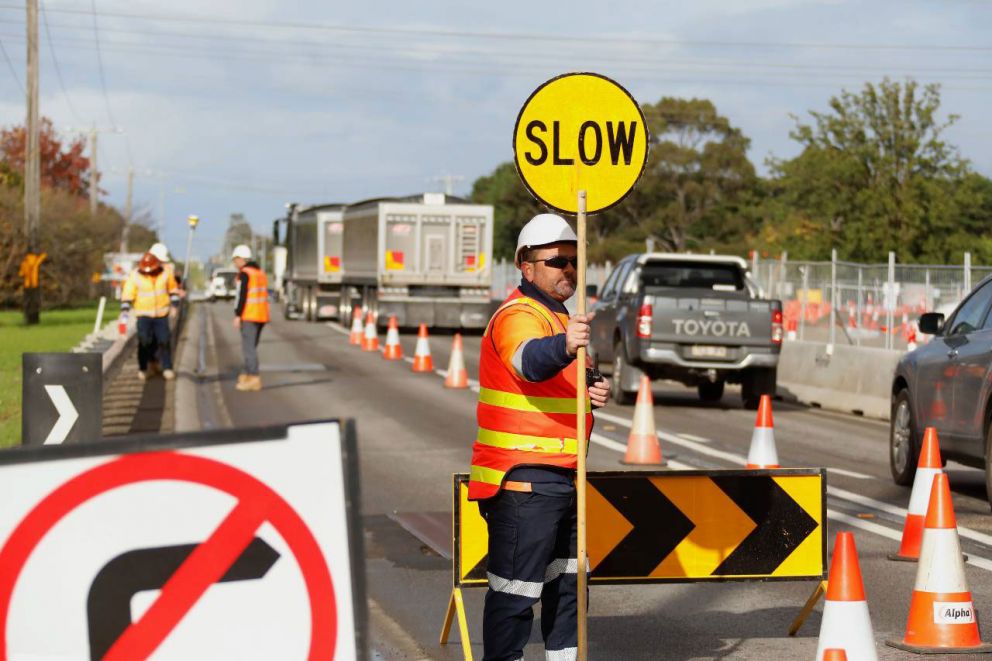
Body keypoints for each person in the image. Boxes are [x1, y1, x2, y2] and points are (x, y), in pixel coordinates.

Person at [468, 213, 610, 661]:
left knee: (568, 594)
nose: (567, 269)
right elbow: (529, 361)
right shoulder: (519, 316)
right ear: (526, 267)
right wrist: (566, 346)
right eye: (555, 261)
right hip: (524, 481)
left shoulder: (561, 318)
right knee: (514, 598)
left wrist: (591, 390)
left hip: (565, 479)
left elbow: (559, 386)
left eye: (573, 260)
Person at [120, 251, 180, 381]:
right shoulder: (135, 276)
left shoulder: (165, 273)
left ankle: (167, 367)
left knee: (164, 340)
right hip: (143, 315)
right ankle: (144, 367)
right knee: (144, 341)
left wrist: (175, 305)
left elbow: (173, 289)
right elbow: (128, 294)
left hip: (161, 314)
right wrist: (124, 312)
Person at [231, 244, 270, 392]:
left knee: (248, 348)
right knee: (252, 346)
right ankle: (248, 373)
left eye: (235, 260)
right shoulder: (259, 272)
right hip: (261, 315)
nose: (235, 263)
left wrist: (237, 315)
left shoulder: (245, 274)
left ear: (241, 259)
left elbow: (241, 296)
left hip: (249, 315)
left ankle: (253, 377)